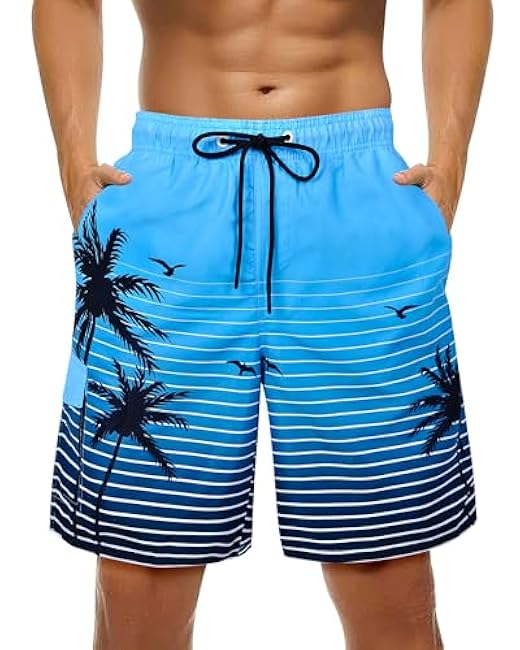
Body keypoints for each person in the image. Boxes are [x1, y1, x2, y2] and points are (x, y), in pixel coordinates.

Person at [33, 1, 493, 649]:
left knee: (388, 572)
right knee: (141, 578)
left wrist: (451, 162)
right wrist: (73, 163)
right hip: (168, 197)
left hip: (359, 199)